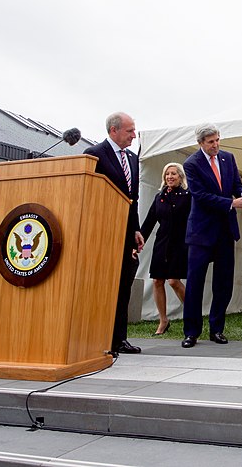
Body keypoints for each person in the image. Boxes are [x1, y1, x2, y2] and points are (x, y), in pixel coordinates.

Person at [181, 124, 242, 348]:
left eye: (217, 140)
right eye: (211, 142)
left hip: (225, 230)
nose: (216, 145)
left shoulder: (228, 158)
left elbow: (234, 186)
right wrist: (232, 203)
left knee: (223, 283)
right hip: (201, 231)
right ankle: (191, 332)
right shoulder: (191, 164)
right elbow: (200, 196)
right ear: (201, 143)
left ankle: (217, 329)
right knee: (195, 283)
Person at [84, 112, 145, 355]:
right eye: (129, 131)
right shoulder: (94, 154)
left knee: (123, 287)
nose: (133, 135)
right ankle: (97, 338)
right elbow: (89, 193)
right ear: (113, 131)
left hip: (125, 233)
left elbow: (133, 199)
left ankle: (119, 339)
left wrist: (136, 229)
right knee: (102, 287)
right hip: (101, 233)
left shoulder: (132, 158)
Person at [140, 162, 191, 336]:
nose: (170, 177)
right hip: (161, 243)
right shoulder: (159, 197)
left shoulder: (187, 196)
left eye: (174, 174)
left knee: (174, 281)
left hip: (180, 243)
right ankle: (163, 320)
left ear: (180, 177)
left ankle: (191, 315)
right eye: (167, 174)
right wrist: (139, 242)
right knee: (157, 281)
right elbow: (148, 222)